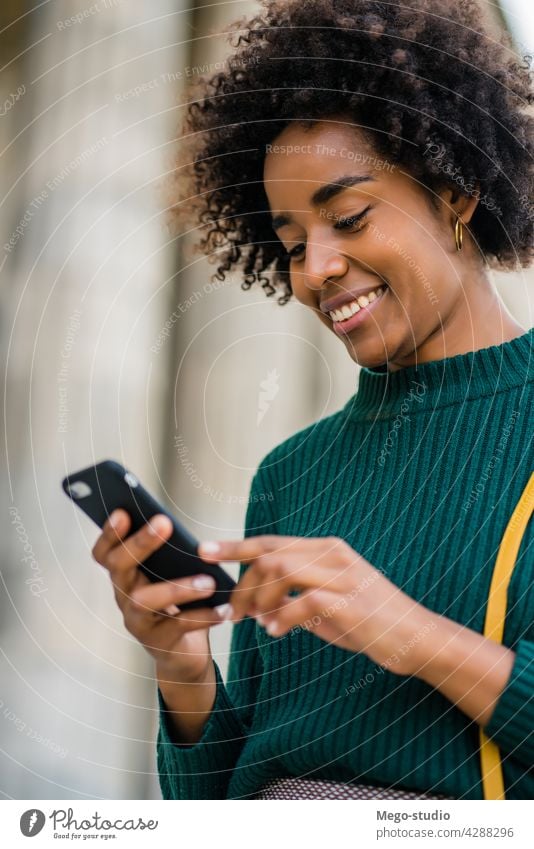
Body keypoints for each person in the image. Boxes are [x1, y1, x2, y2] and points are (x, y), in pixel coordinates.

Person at [92, 0, 534, 799]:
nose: (316, 269)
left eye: (350, 216)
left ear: (457, 191)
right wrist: (182, 664)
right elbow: (216, 802)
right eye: (293, 242)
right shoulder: (290, 476)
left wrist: (410, 633)